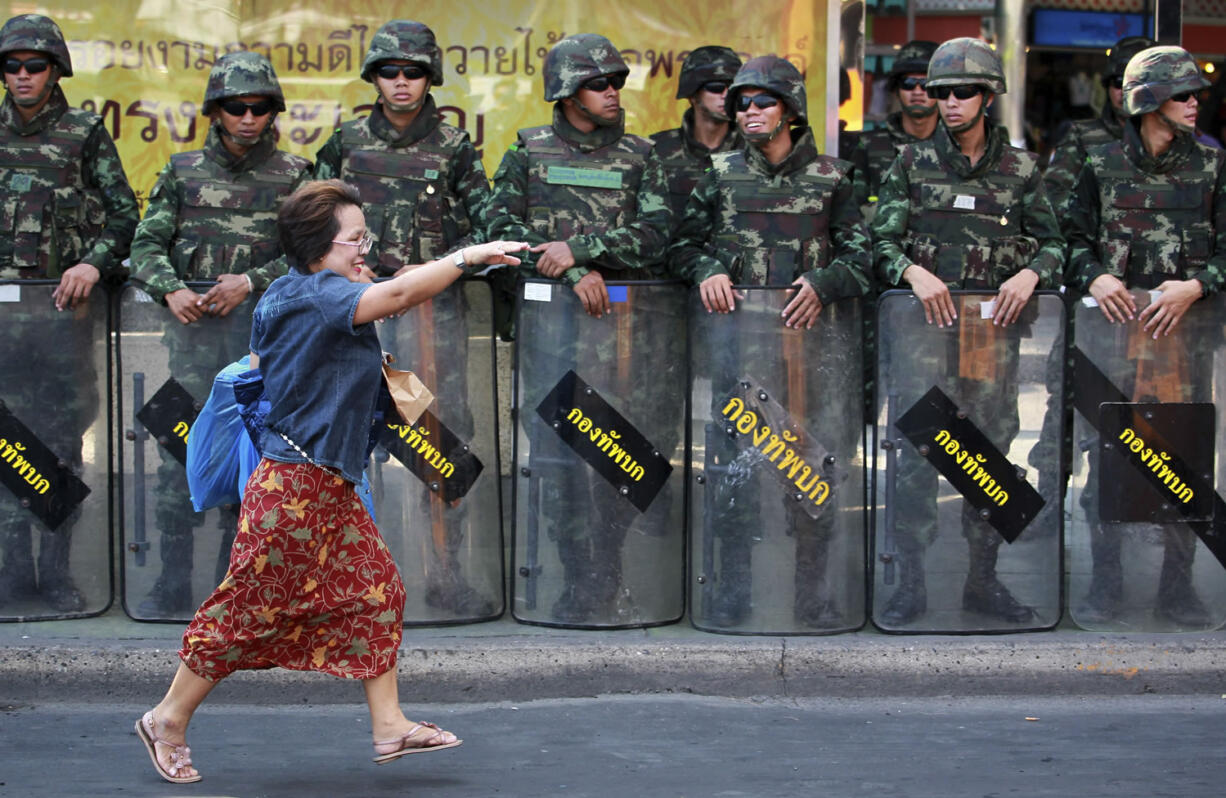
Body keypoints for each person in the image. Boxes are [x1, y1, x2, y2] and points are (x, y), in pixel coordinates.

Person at [134, 179, 525, 783]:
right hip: (293, 491)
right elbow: (398, 294)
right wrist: (467, 257)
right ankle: (167, 718)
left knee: (377, 591)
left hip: (325, 486)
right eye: (355, 240)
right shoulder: (317, 296)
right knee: (245, 611)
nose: (364, 248)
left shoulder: (300, 292)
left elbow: (382, 290)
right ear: (320, 246)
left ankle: (390, 726)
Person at [670, 55, 871, 629]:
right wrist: (706, 267)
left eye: (763, 102)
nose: (749, 113)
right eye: (740, 103)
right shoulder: (720, 170)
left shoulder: (834, 177)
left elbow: (866, 258)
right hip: (741, 360)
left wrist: (824, 281)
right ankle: (732, 591)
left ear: (790, 110)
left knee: (813, 474)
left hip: (813, 359)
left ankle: (813, 594)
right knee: (735, 477)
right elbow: (680, 247)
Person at [871, 37, 1065, 627]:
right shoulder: (910, 163)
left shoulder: (1023, 170)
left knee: (990, 461)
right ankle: (911, 585)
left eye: (963, 92)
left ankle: (984, 581)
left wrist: (1032, 272)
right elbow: (874, 241)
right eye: (940, 92)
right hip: (923, 342)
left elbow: (1059, 243)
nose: (949, 103)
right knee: (914, 464)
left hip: (990, 347)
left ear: (988, 97)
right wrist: (910, 271)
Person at [484, 33, 673, 625]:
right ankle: (572, 581)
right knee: (561, 467)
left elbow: (658, 235)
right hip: (553, 342)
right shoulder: (527, 152)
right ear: (567, 94)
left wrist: (581, 249)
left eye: (616, 81)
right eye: (598, 84)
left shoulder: (642, 156)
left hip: (621, 343)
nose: (613, 92)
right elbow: (498, 227)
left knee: (618, 463)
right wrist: (576, 271)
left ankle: (608, 574)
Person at [311, 20, 495, 618]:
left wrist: (437, 266)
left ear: (429, 77)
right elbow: (309, 228)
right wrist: (346, 271)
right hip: (357, 320)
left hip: (432, 324)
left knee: (435, 437)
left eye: (413, 72)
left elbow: (484, 228)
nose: (400, 82)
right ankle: (347, 585)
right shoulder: (343, 143)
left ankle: (444, 572)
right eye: (389, 71)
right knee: (347, 441)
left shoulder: (454, 146)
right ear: (374, 78)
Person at [129, 51, 311, 616]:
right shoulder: (182, 173)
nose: (249, 118)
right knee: (176, 461)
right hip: (191, 349)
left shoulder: (294, 176)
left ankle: (239, 590)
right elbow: (143, 245)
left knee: (256, 467)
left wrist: (251, 282)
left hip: (264, 354)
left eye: (260, 107)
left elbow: (315, 257)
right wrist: (170, 289)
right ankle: (170, 583)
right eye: (237, 107)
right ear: (216, 111)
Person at [1064, 46, 1224, 626]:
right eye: (1182, 94)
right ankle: (1106, 583)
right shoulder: (1101, 165)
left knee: (1184, 466)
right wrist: (1097, 273)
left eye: (1195, 93)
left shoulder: (1212, 166)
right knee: (1105, 462)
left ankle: (1176, 589)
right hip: (1113, 347)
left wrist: (1198, 286)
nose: (1194, 103)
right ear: (1148, 100)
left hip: (1184, 349)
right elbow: (1069, 239)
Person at [0, 13, 138, 613]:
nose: (23, 75)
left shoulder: (84, 134)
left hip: (61, 322)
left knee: (58, 445)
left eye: (35, 65)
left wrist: (92, 264)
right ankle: (9, 573)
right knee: (4, 444)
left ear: (56, 69)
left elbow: (123, 217)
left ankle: (55, 573)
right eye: (12, 65)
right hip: (2, 327)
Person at [1045, 36, 1156, 218]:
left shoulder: (1172, 140)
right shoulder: (1082, 136)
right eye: (1119, 82)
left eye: (1137, 83)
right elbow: (1053, 199)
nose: (1126, 91)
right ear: (1107, 87)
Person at [849, 40, 939, 224]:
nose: (917, 91)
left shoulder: (955, 146)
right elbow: (851, 214)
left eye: (926, 83)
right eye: (908, 83)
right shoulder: (869, 145)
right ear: (896, 89)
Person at [649, 45, 742, 221]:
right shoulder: (657, 151)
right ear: (692, 94)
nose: (726, 94)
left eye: (732, 87)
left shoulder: (754, 152)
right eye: (716, 87)